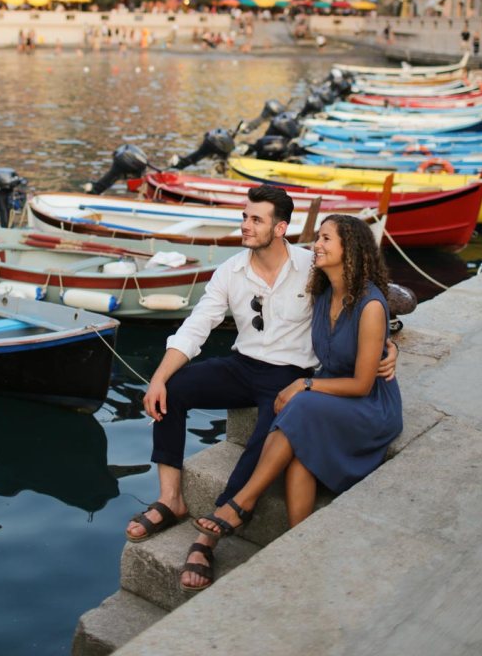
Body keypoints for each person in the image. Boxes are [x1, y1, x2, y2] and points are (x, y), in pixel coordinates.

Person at [125, 188, 398, 592]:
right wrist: (160, 376)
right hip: (242, 366)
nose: (245, 226)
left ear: (280, 227)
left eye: (256, 220)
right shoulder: (230, 272)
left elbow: (367, 297)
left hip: (292, 372)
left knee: (269, 429)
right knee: (176, 388)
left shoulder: (313, 264)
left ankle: (208, 538)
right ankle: (171, 499)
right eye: (245, 217)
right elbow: (196, 327)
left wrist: (390, 343)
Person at [192, 215, 402, 550]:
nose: (316, 245)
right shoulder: (320, 294)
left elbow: (362, 384)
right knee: (301, 452)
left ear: (351, 249)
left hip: (369, 405)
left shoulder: (371, 305)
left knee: (299, 402)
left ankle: (241, 502)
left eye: (326, 239)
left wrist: (305, 384)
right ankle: (297, 544)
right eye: (318, 238)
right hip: (332, 392)